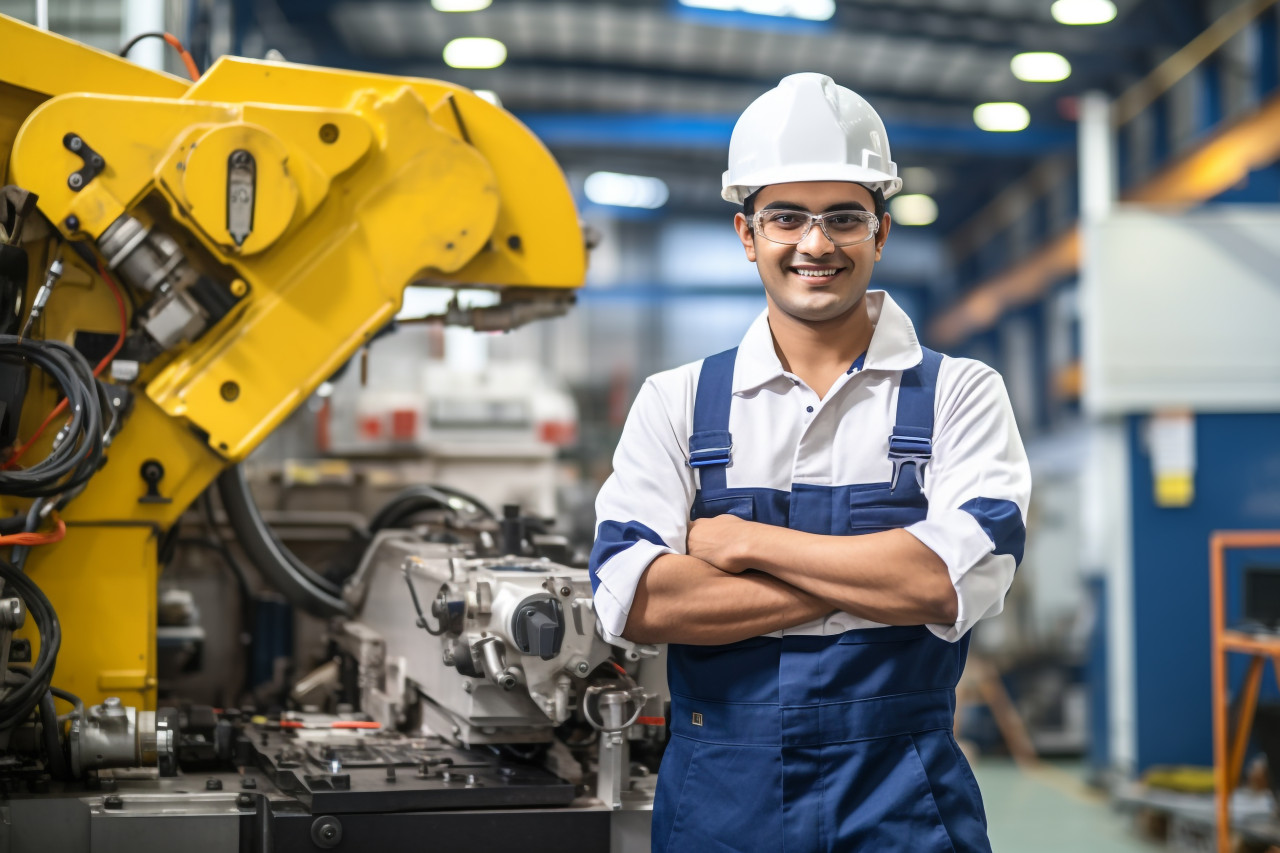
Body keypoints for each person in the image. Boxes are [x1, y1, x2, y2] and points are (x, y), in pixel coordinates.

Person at [588, 72, 1031, 853]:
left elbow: (952, 581)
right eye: (786, 216)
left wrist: (748, 544)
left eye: (844, 218)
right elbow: (636, 600)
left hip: (903, 797)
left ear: (881, 232)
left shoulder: (962, 392)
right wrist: (875, 584)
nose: (815, 243)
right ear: (746, 232)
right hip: (722, 801)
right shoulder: (678, 401)